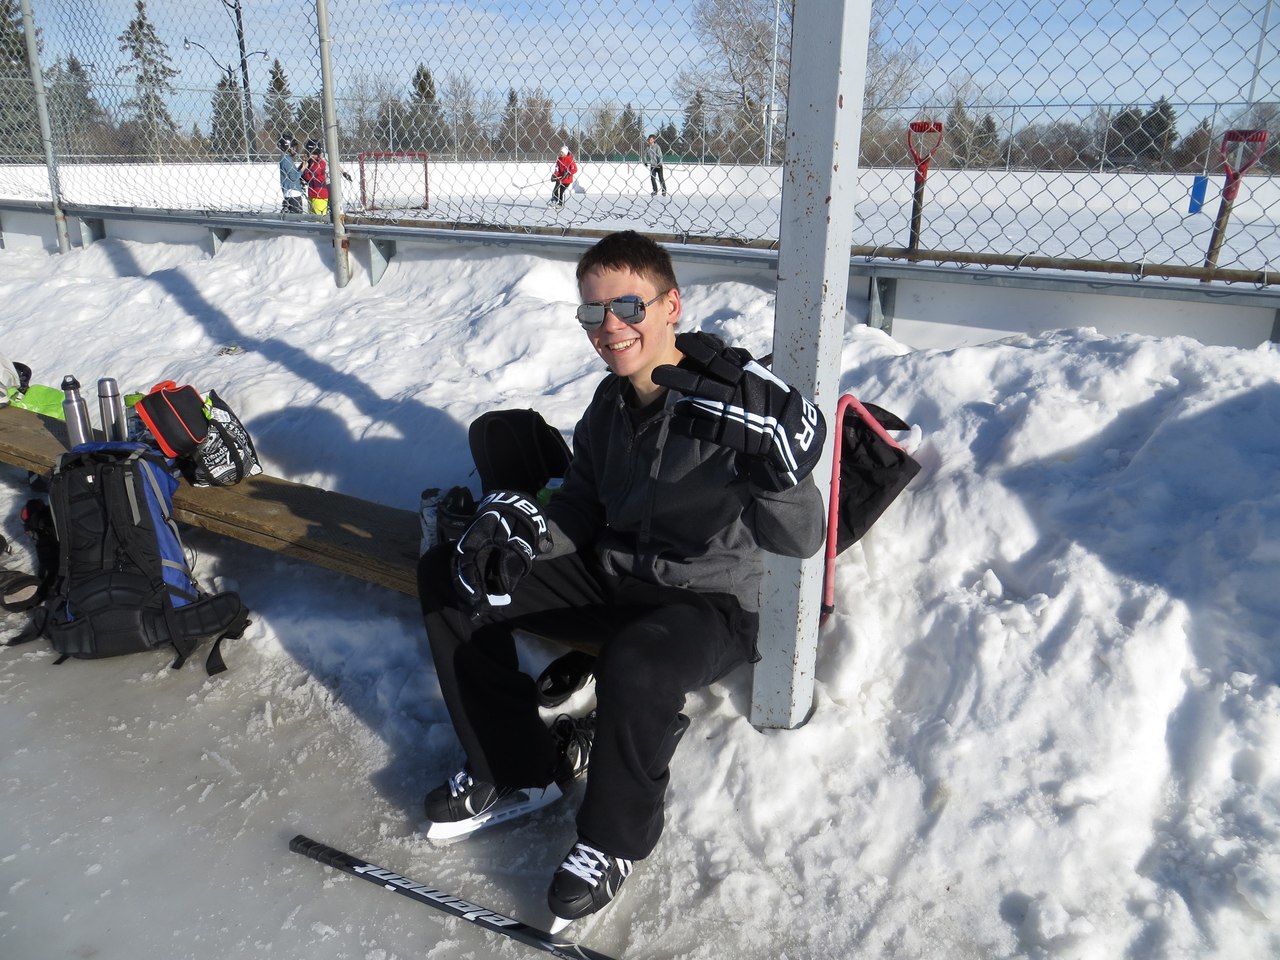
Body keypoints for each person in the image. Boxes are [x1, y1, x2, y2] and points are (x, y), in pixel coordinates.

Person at [416, 230, 827, 928]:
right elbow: (579, 505)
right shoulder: (608, 405)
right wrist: (525, 536)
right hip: (615, 578)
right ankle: (518, 768)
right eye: (593, 313)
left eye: (628, 306)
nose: (610, 327)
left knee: (637, 659)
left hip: (709, 602)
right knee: (454, 576)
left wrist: (781, 475)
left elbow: (799, 538)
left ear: (671, 306)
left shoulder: (732, 404)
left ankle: (612, 841)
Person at [301, 138, 330, 215]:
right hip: (311, 194)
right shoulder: (310, 163)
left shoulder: (320, 163)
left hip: (320, 196)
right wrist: (304, 163)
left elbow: (309, 177)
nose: (312, 156)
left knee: (319, 220)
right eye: (310, 153)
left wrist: (305, 167)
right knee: (312, 219)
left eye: (314, 154)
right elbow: (301, 173)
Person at [278, 134, 304, 213]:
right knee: (296, 216)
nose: (295, 150)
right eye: (293, 148)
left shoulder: (285, 158)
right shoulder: (287, 160)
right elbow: (294, 177)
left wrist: (302, 165)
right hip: (293, 192)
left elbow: (293, 172)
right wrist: (303, 168)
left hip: (289, 192)